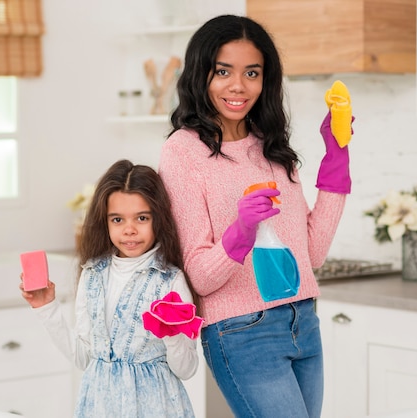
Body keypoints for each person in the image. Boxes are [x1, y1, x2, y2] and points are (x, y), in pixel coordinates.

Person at [158, 15, 353, 418]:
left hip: (303, 319)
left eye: (252, 72)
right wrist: (241, 230)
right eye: (223, 71)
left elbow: (311, 255)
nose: (238, 86)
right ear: (200, 75)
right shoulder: (182, 151)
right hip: (241, 330)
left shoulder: (271, 146)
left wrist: (336, 157)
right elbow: (200, 276)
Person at [20, 159, 201, 417]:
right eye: (117, 219)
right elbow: (83, 357)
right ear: (104, 222)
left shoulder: (169, 280)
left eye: (141, 218)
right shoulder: (92, 274)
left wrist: (171, 334)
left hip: (157, 407)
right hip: (99, 406)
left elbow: (186, 369)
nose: (129, 230)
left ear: (158, 219)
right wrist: (46, 308)